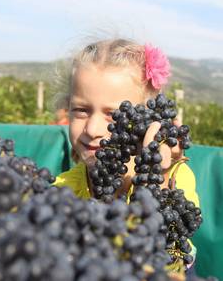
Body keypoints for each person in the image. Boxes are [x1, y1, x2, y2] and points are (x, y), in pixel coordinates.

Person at [52, 38, 199, 275]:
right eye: (81, 110)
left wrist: (156, 171)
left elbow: (162, 235)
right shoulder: (66, 187)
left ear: (148, 120)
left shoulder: (174, 176)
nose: (92, 129)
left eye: (114, 115)